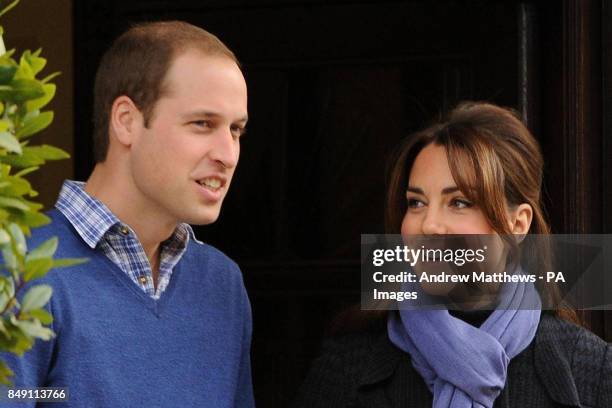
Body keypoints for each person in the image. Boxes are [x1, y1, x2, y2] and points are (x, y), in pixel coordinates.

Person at [292, 102, 611, 408]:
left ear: (517, 224)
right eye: (416, 202)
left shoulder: (590, 371)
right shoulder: (346, 367)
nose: (428, 225)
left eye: (459, 202)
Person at [2, 21, 253, 407]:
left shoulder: (222, 284)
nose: (228, 153)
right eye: (202, 124)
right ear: (126, 120)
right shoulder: (19, 264)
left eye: (236, 130)